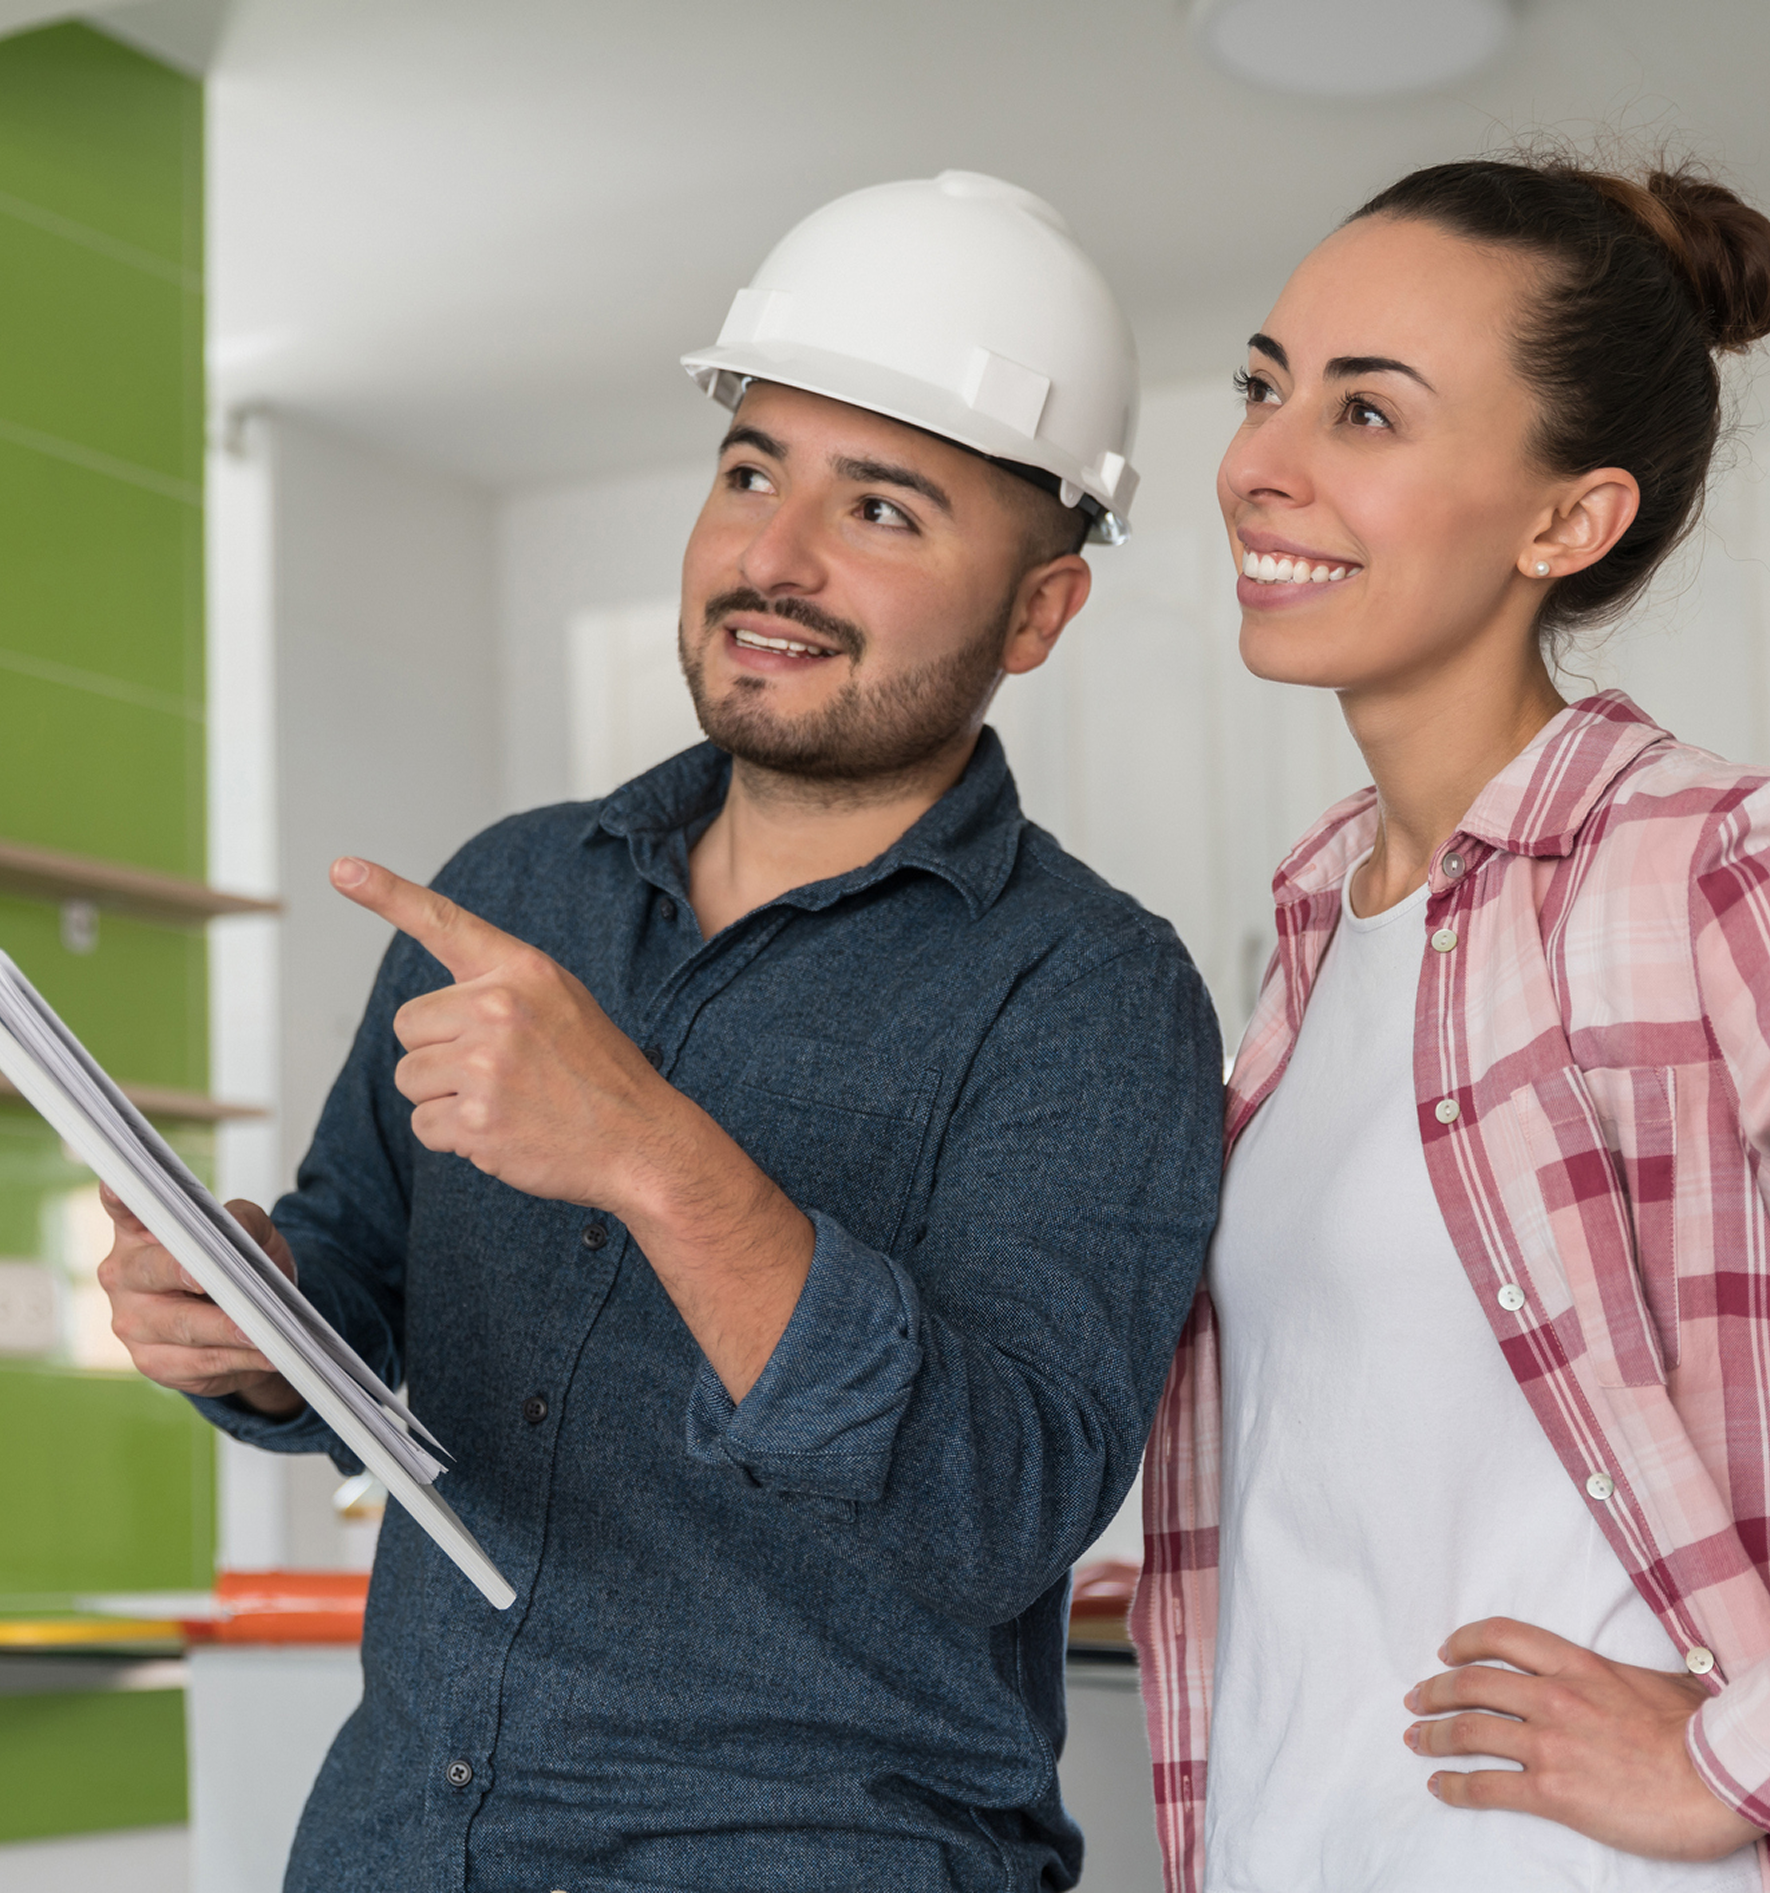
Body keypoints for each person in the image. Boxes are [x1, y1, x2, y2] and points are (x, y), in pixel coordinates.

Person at [98, 171, 1222, 1892]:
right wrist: (249, 1322)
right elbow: (361, 1290)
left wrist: (652, 1156)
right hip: (397, 1839)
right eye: (750, 472)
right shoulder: (513, 887)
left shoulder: (1091, 991)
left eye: (883, 509)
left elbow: (1001, 1509)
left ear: (1037, 612)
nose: (772, 557)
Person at [1131, 152, 1770, 1893]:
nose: (1257, 461)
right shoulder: (1316, 919)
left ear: (1565, 522)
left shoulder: (1703, 867)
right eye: (1263, 386)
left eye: (1364, 412)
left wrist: (1732, 1762)